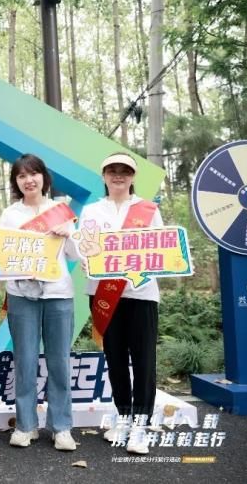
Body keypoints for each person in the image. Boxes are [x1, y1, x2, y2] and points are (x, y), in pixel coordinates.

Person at [77, 153, 163, 455]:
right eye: (112, 170)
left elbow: (161, 248)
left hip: (141, 293)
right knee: (114, 358)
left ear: (133, 176)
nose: (118, 175)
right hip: (103, 293)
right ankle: (123, 418)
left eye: (124, 171)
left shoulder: (148, 210)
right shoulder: (92, 211)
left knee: (143, 361)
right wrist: (86, 260)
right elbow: (84, 247)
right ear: (103, 176)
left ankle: (141, 425)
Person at [0, 154, 78, 452]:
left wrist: (70, 234)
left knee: (59, 362)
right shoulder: (10, 215)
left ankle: (61, 427)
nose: (28, 180)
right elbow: (1, 257)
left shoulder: (61, 210)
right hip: (21, 295)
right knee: (25, 361)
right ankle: (25, 425)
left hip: (58, 294)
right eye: (22, 176)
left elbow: (76, 255)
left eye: (34, 174)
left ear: (44, 177)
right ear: (16, 182)